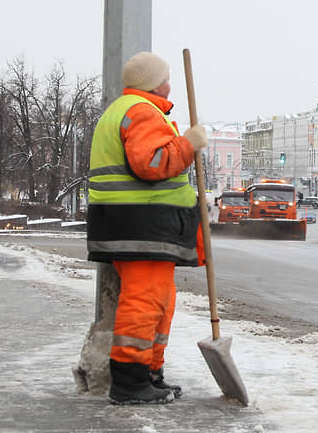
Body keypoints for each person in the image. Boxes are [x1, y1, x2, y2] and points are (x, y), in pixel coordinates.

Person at [86, 52, 209, 405]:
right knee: (144, 302)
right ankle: (129, 382)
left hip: (139, 226)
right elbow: (151, 163)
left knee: (159, 301)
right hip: (141, 225)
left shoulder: (129, 110)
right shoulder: (140, 111)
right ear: (157, 83)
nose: (170, 82)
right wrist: (189, 144)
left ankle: (149, 374)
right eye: (166, 77)